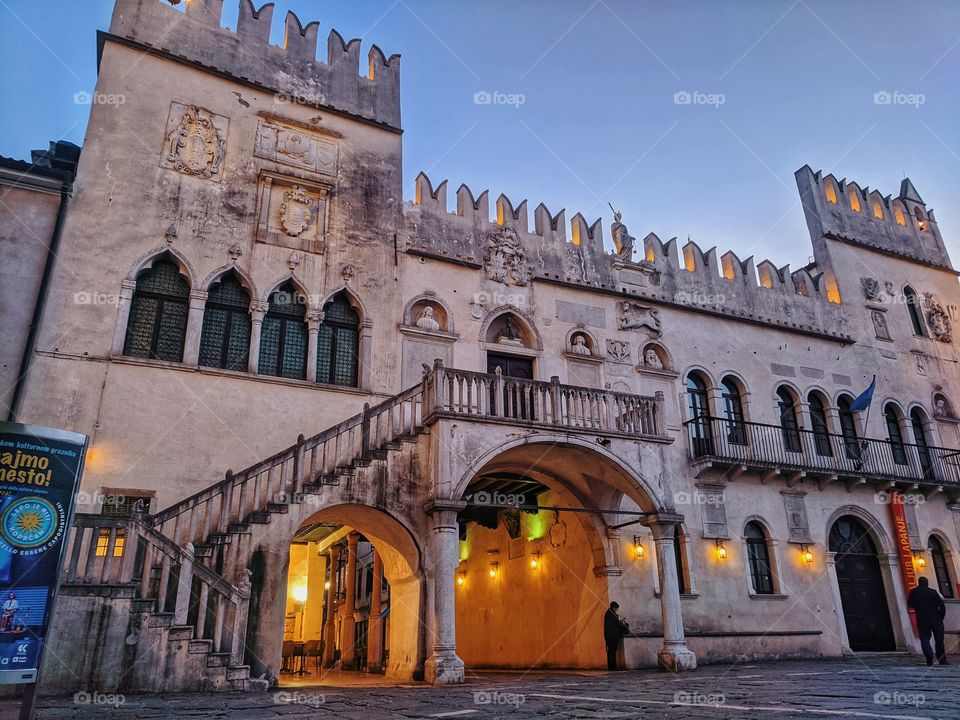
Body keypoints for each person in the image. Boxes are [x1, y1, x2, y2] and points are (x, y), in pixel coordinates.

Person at [907, 576, 948, 666]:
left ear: (919, 582)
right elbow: (941, 605)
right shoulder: (933, 592)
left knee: (924, 639)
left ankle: (929, 655)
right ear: (927, 583)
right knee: (939, 640)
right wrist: (941, 616)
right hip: (936, 619)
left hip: (922, 619)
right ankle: (942, 660)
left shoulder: (914, 592)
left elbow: (910, 604)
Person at [603, 601, 630, 671]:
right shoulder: (611, 614)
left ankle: (611, 667)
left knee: (611, 652)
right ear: (614, 608)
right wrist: (621, 622)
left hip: (609, 636)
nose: (617, 610)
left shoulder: (608, 614)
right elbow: (616, 624)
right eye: (616, 608)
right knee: (612, 652)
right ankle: (613, 667)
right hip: (612, 637)